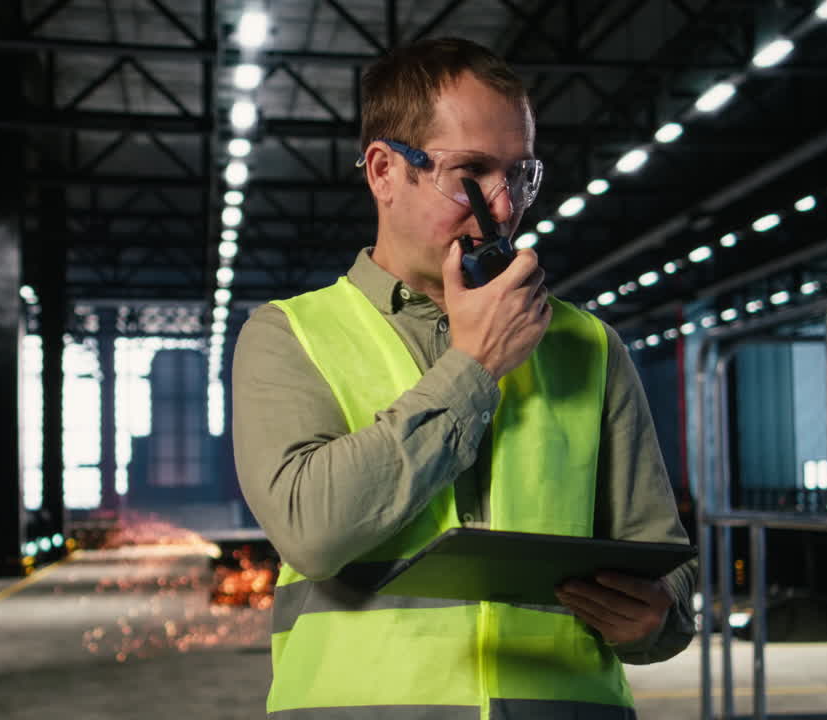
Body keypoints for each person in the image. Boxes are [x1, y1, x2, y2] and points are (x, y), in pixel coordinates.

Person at [232, 37, 697, 719]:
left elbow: (667, 568)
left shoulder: (588, 346)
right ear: (385, 171)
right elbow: (312, 529)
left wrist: (656, 618)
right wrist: (474, 368)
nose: (504, 208)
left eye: (521, 176)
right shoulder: (289, 337)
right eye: (473, 173)